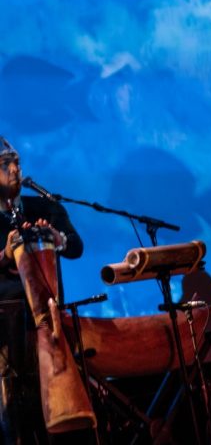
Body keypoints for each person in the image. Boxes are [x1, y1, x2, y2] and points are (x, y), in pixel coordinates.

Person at [0, 137, 84, 443]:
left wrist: (57, 239)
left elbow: (76, 247)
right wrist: (5, 255)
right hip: (6, 330)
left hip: (49, 324)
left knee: (57, 408)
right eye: (5, 165)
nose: (14, 169)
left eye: (17, 163)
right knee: (14, 413)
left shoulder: (44, 206)